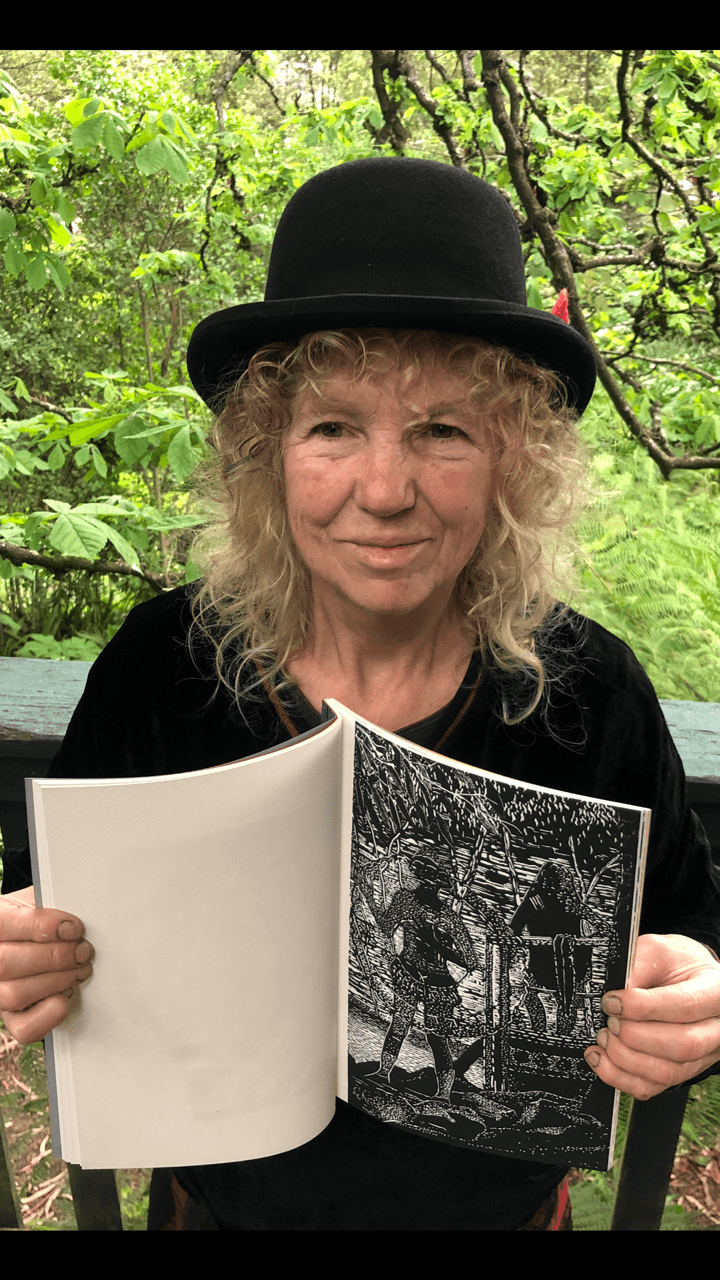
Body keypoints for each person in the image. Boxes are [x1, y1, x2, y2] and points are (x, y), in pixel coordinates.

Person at [1, 157, 719, 1232]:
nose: (384, 492)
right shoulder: (166, 666)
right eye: (333, 427)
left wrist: (699, 986)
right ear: (267, 454)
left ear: (514, 462)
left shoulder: (587, 689)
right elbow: (41, 898)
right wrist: (24, 945)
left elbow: (691, 923)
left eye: (444, 431)